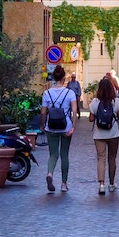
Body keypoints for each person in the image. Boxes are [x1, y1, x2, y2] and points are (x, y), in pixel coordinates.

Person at [40, 64, 75, 193]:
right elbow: (74, 110)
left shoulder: (46, 93)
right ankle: (64, 184)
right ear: (64, 77)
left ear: (54, 77)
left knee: (53, 154)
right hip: (66, 126)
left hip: (51, 126)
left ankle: (50, 173)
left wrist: (42, 125)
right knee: (64, 154)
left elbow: (43, 112)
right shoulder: (70, 93)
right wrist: (73, 126)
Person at [88, 74, 119, 194]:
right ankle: (112, 183)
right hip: (113, 133)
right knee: (112, 158)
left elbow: (91, 119)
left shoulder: (95, 102)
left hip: (99, 135)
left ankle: (101, 185)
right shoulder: (116, 101)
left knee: (101, 158)